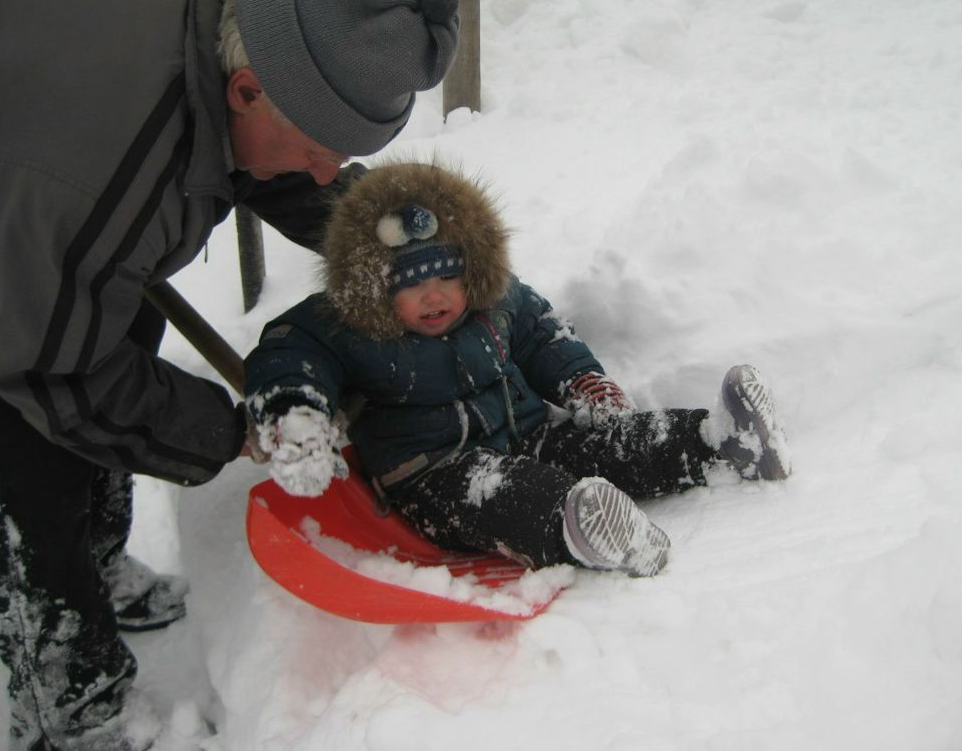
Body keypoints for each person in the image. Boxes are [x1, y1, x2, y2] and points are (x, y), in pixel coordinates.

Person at [0, 0, 460, 751]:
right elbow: (53, 372)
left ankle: (99, 555)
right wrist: (231, 433)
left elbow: (248, 162)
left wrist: (407, 251)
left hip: (65, 194)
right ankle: (72, 711)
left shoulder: (240, 27)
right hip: (20, 216)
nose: (322, 170)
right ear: (244, 91)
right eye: (318, 150)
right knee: (27, 461)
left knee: (106, 307)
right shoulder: (104, 173)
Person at [244, 162, 792, 582]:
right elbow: (290, 355)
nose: (433, 297)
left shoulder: (498, 298)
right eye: (409, 284)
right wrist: (295, 413)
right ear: (373, 287)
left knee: (608, 444)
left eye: (448, 278)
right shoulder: (345, 323)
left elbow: (542, 334)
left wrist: (583, 382)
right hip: (437, 476)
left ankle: (720, 440)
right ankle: (579, 526)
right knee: (507, 493)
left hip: (528, 434)